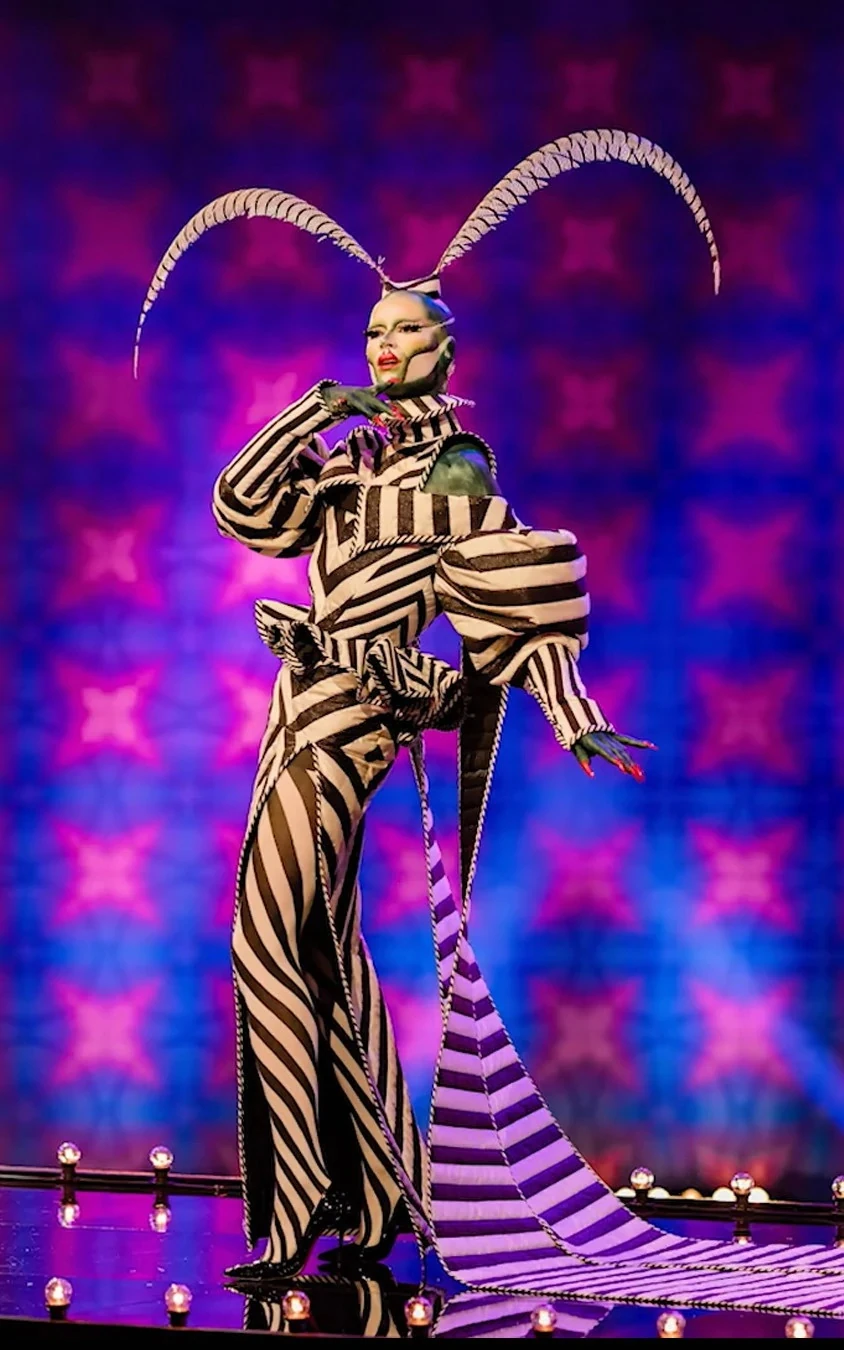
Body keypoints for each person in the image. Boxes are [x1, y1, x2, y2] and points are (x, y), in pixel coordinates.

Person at [131, 132, 844, 1312]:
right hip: (292, 712)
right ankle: (367, 1202)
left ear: (445, 349)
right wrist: (311, 410)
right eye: (373, 332)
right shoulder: (344, 467)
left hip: (354, 717)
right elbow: (240, 506)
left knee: (267, 938)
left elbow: (512, 594)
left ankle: (296, 1209)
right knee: (320, 947)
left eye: (405, 332)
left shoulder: (455, 470)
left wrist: (569, 711)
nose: (384, 347)